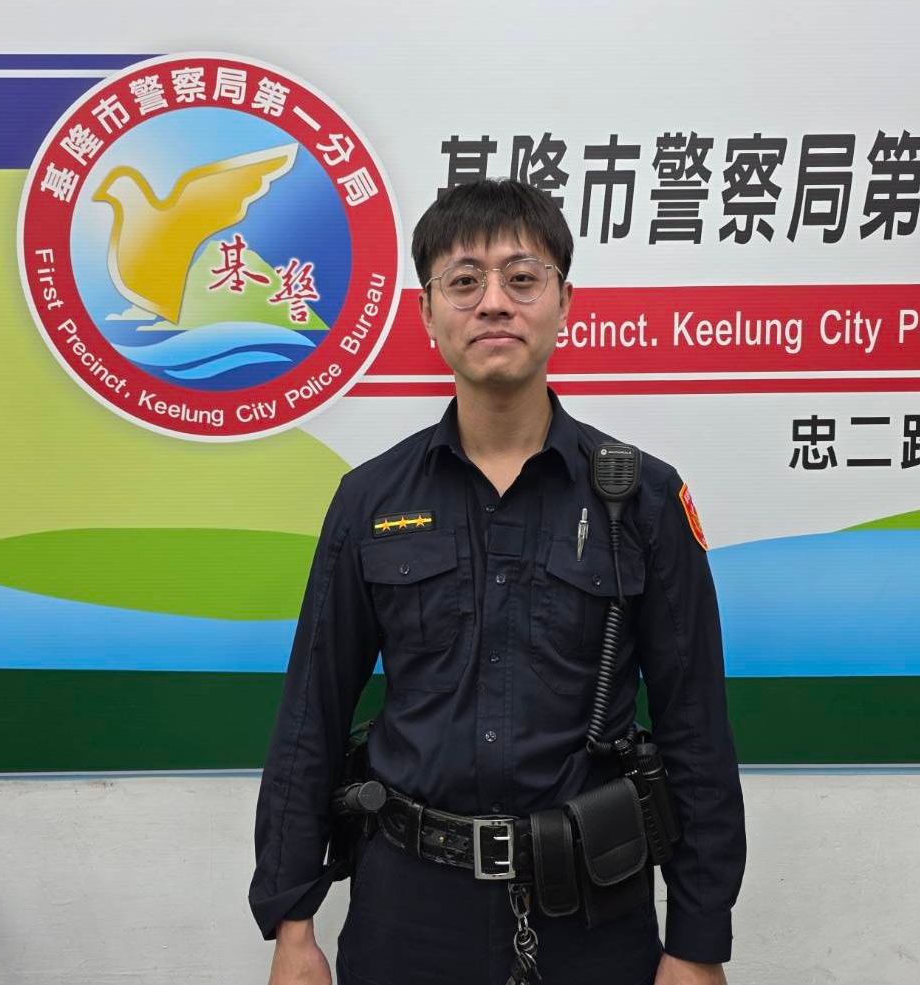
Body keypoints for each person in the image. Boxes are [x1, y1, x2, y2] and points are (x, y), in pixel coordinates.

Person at [250, 179, 745, 985]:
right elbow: (311, 714)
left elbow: (697, 729)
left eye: (521, 278)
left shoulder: (642, 497)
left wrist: (697, 940)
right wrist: (290, 919)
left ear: (563, 301)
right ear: (426, 311)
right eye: (463, 280)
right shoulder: (370, 500)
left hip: (594, 912)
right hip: (407, 911)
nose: (493, 303)